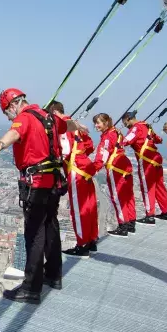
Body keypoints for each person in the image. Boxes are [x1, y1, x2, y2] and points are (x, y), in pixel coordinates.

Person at [0, 88, 83, 304]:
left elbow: (14, 133)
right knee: (51, 227)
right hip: (54, 183)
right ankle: (54, 275)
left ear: (13, 105)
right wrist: (79, 126)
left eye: (6, 112)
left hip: (36, 185)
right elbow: (69, 125)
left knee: (34, 235)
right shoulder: (50, 117)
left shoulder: (24, 118)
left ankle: (31, 288)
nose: (8, 117)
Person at [47, 101, 98, 256]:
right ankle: (91, 240)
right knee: (89, 207)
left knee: (78, 209)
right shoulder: (77, 125)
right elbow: (90, 146)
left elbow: (65, 151)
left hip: (76, 170)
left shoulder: (63, 127)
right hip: (86, 168)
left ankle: (82, 245)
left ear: (54, 112)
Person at [89, 113, 136, 237]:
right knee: (128, 196)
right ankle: (131, 223)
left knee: (118, 197)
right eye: (95, 123)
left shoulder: (107, 137)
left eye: (98, 122)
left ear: (106, 122)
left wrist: (92, 170)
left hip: (116, 169)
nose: (96, 125)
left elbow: (102, 156)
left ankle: (123, 226)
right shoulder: (116, 132)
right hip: (125, 166)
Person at [121, 112, 167, 224]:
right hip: (156, 159)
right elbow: (158, 140)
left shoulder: (135, 128)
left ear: (128, 119)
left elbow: (126, 141)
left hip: (146, 161)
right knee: (159, 186)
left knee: (147, 188)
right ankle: (165, 211)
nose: (125, 125)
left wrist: (116, 139)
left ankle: (150, 215)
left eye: (124, 123)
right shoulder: (147, 126)